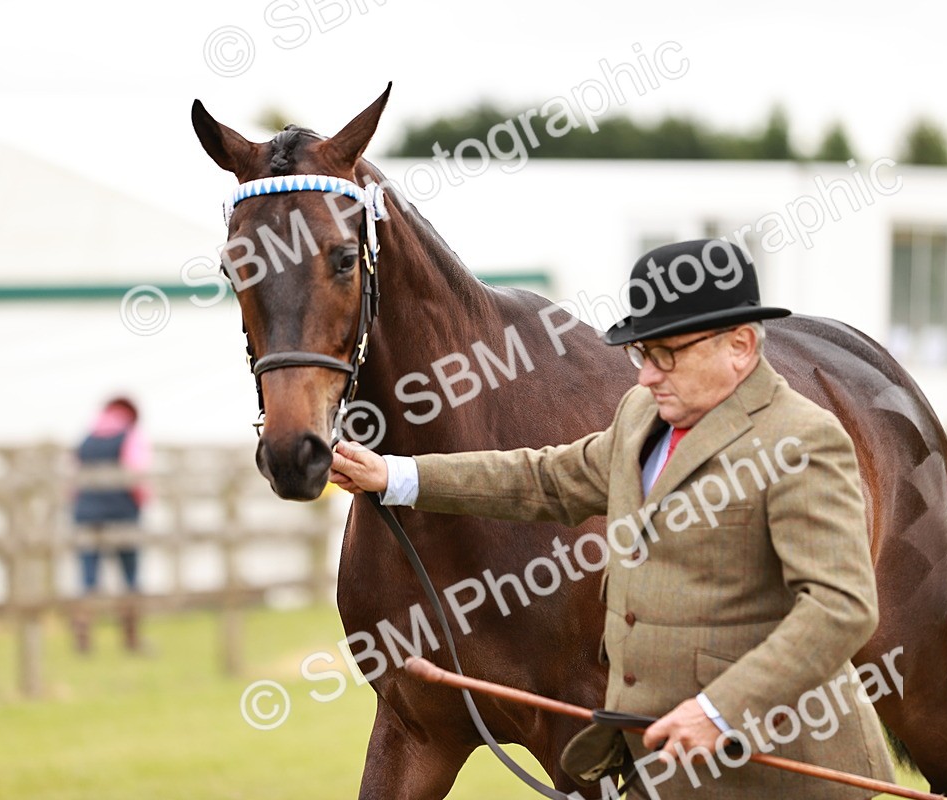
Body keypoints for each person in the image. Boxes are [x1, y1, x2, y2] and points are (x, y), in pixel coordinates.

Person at [332, 240, 894, 799]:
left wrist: (719, 710)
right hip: (666, 769)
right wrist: (398, 476)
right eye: (640, 355)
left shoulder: (804, 442)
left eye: (665, 354)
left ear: (741, 346)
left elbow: (839, 608)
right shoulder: (642, 415)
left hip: (785, 771)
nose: (646, 376)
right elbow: (546, 479)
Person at [71, 396, 152, 653]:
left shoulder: (85, 440)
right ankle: (131, 637)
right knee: (129, 576)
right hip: (122, 513)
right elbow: (137, 475)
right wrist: (141, 502)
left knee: (88, 579)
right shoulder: (129, 436)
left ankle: (84, 633)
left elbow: (72, 482)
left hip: (86, 516)